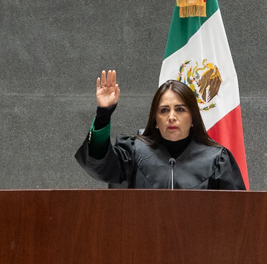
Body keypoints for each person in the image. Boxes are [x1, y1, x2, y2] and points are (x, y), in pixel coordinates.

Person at [75, 71, 245, 189]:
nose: (171, 116)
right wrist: (104, 114)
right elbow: (98, 165)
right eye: (164, 110)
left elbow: (237, 212)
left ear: (193, 118)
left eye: (180, 109)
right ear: (155, 120)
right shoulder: (133, 152)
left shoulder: (217, 160)